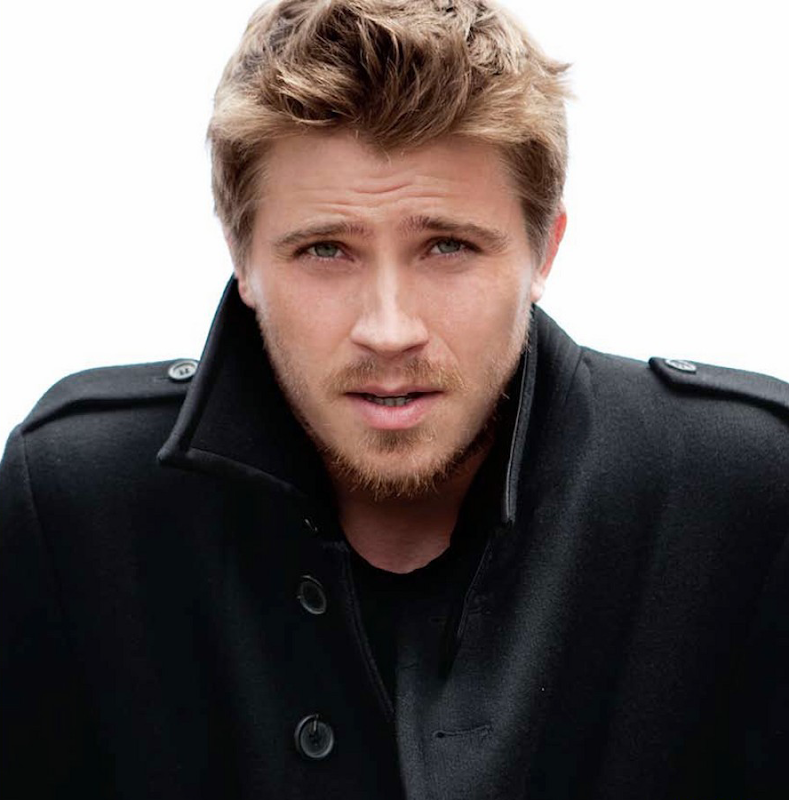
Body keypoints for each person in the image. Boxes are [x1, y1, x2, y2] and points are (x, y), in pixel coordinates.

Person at [1, 0, 787, 797]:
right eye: (325, 250)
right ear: (241, 255)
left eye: (447, 246)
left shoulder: (739, 494)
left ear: (542, 251)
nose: (387, 330)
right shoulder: (79, 501)